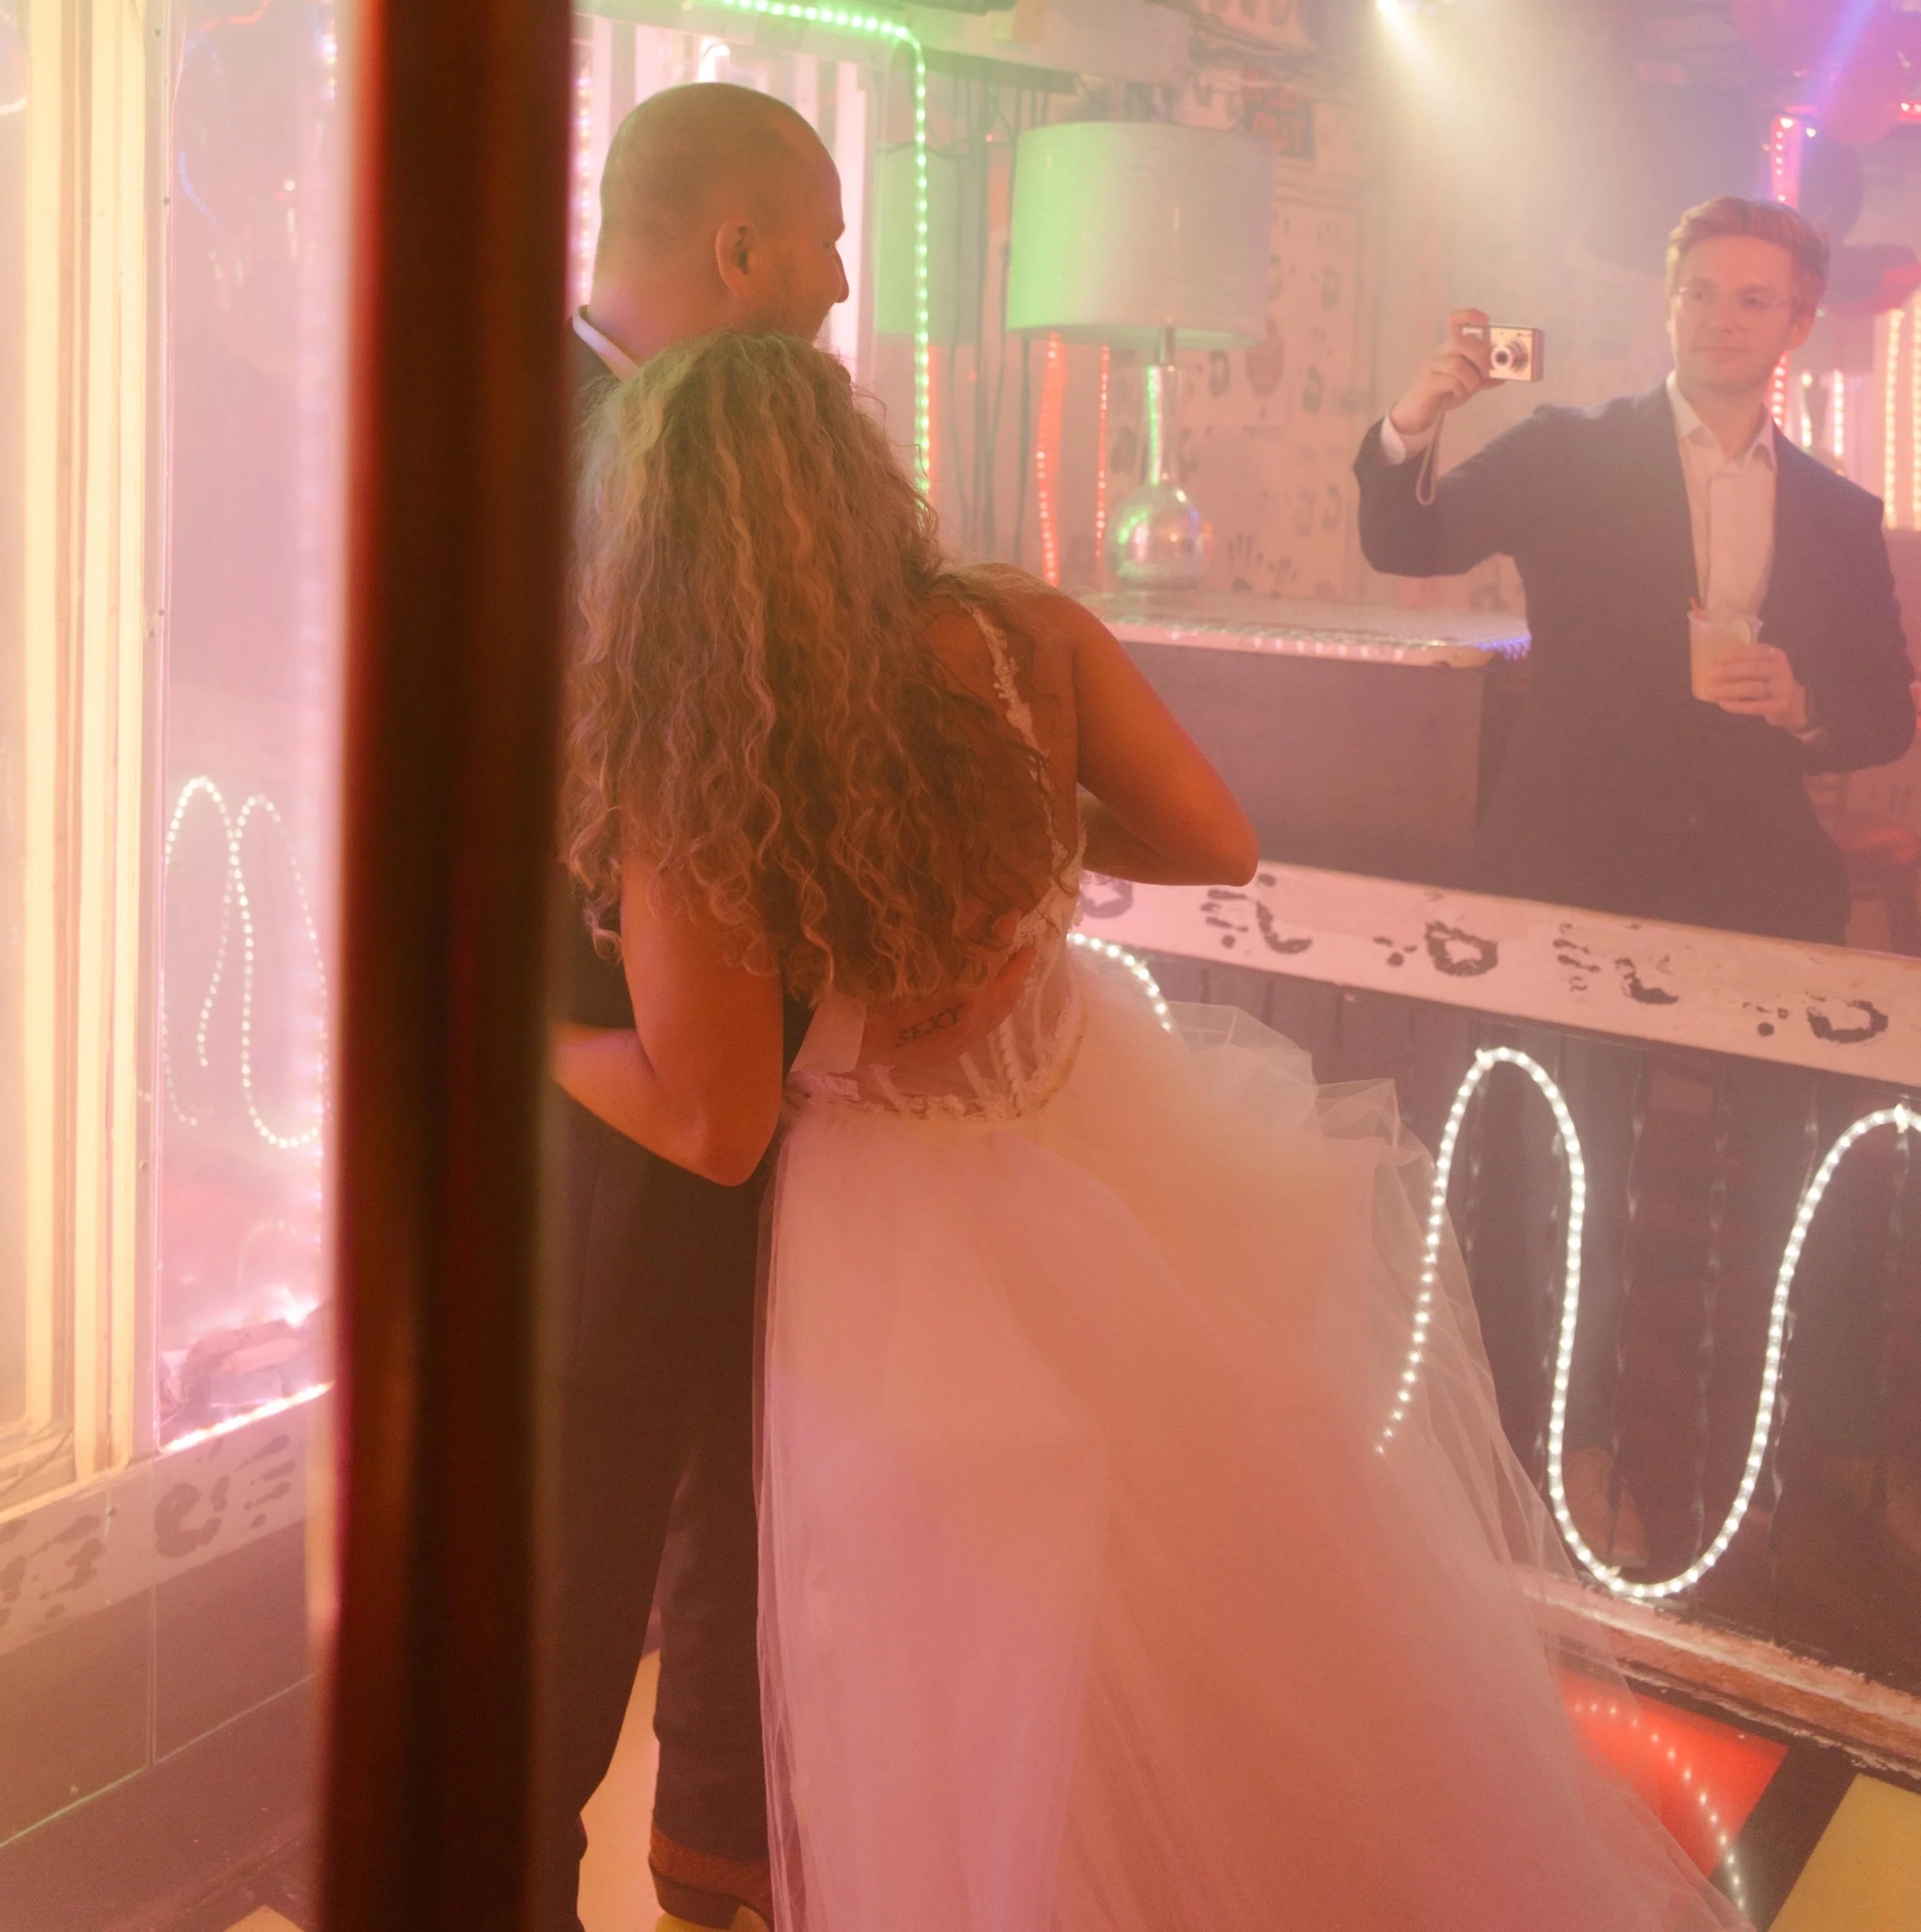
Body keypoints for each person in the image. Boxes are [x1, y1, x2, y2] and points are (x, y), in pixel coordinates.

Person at [552, 329, 1740, 1932]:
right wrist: (1024, 839)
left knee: (959, 1653)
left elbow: (710, 1118)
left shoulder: (709, 743)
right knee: (1199, 1599)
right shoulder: (1018, 629)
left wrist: (522, 1029)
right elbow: (1211, 838)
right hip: (1101, 1126)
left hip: (895, 1216)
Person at [543, 82, 848, 1932]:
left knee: (720, 1501)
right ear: (737, 242)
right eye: (818, 236)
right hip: (606, 1082)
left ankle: (711, 1865)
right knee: (571, 1554)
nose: (833, 278)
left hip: (725, 1066)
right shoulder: (569, 436)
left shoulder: (723, 442)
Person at [1354, 194, 1913, 940]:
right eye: (1700, 294)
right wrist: (1416, 414)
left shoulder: (1838, 512)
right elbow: (1408, 546)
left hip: (1759, 885)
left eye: (1753, 300)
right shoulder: (1565, 451)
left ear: (1798, 324)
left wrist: (1800, 707)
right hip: (1567, 871)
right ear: (1670, 305)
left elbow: (1885, 718)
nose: (1722, 318)